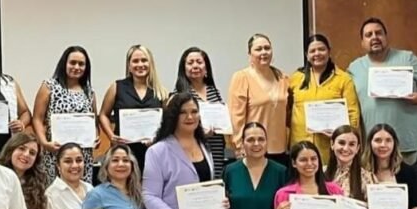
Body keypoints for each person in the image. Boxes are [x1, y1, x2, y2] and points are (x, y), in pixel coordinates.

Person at [347, 18, 417, 164]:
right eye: (369, 35)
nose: (374, 37)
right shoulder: (354, 68)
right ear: (362, 42)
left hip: (407, 144)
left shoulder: (407, 58)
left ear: (386, 36)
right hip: (372, 146)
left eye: (378, 33)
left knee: (411, 179)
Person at [289, 34, 360, 164]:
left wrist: (344, 137)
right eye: (312, 51)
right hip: (300, 147)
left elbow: (353, 114)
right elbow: (287, 111)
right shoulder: (296, 78)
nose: (317, 53)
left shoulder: (344, 79)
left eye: (321, 49)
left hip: (331, 149)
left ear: (329, 51)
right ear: (306, 55)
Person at [32, 45, 97, 184]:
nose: (76, 67)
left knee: (82, 193)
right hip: (55, 152)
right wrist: (44, 143)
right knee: (55, 192)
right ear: (64, 64)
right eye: (72, 62)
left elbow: (94, 122)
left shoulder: (89, 92)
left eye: (81, 64)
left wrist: (95, 138)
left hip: (82, 156)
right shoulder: (49, 86)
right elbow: (37, 118)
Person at [98, 44, 168, 171]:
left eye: (144, 60)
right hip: (124, 153)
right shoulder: (116, 87)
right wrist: (111, 135)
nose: (140, 64)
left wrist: (158, 137)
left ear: (150, 64)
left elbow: (167, 122)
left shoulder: (160, 91)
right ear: (129, 66)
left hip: (152, 153)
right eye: (135, 61)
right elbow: (103, 114)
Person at [229, 33, 290, 166]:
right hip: (253, 148)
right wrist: (239, 146)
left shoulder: (283, 78)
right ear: (250, 54)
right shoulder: (242, 77)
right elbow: (236, 116)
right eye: (258, 49)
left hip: (280, 149)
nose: (264, 52)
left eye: (267, 48)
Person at [173, 46, 226, 179]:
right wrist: (200, 133)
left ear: (206, 67)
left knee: (214, 182)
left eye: (199, 62)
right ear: (184, 68)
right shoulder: (178, 94)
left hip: (215, 147)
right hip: (191, 148)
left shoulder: (214, 91)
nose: (195, 66)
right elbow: (174, 127)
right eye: (190, 63)